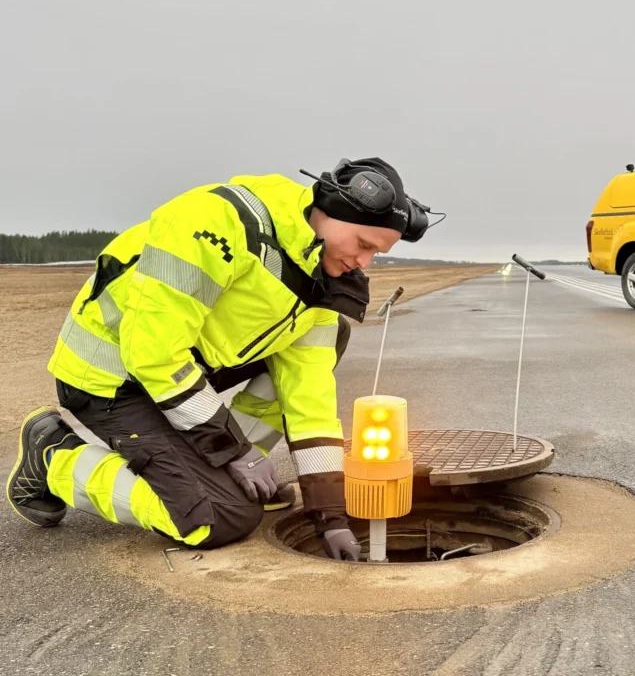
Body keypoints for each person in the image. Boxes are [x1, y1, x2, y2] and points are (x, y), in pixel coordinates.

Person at [6, 157, 436, 561]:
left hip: (182, 373)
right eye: (363, 244)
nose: (363, 262)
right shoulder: (215, 223)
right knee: (217, 518)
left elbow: (310, 400)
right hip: (111, 378)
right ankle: (53, 455)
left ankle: (236, 477)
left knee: (331, 337)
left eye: (376, 253)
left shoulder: (320, 281)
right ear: (331, 208)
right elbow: (153, 356)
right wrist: (233, 450)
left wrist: (330, 515)